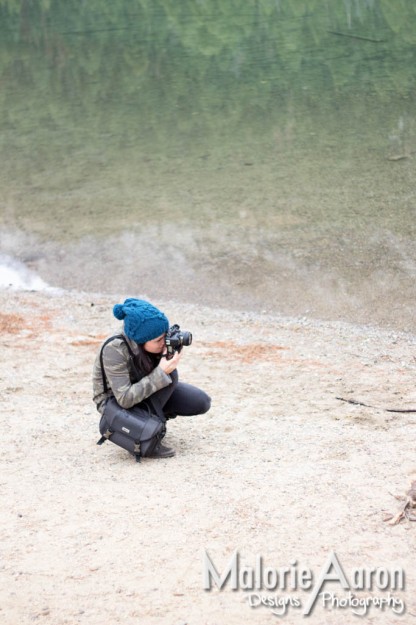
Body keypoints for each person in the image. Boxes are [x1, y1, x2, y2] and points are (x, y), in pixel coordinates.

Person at [92, 298, 211, 458]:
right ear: (141, 341)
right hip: (114, 401)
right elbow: (124, 399)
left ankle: (150, 419)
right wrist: (161, 372)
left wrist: (169, 353)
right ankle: (145, 435)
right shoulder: (115, 349)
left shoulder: (149, 342)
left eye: (165, 336)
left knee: (200, 401)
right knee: (168, 375)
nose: (164, 342)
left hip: (141, 385)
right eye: (158, 340)